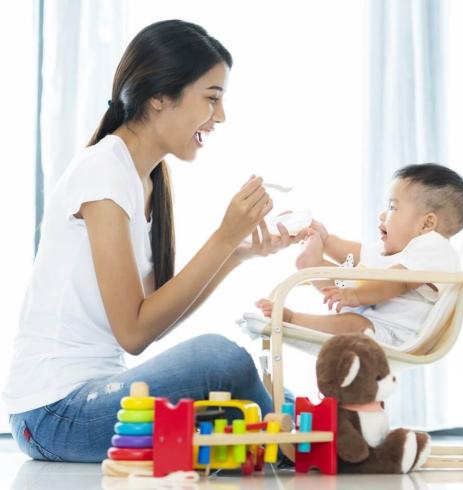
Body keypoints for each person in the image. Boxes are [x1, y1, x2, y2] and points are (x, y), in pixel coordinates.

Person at [3, 19, 304, 463]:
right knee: (224, 360)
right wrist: (224, 236)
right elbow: (135, 331)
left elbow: (154, 314)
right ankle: (297, 444)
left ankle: (296, 437)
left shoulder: (142, 179)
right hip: (53, 413)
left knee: (247, 395)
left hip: (91, 399)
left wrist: (238, 253)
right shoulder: (103, 171)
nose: (220, 116)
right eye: (211, 98)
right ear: (160, 96)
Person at [256, 163, 463, 346]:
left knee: (352, 322)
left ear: (427, 223)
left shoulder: (436, 248)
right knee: (348, 279)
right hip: (371, 312)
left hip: (394, 334)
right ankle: (313, 265)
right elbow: (360, 254)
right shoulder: (400, 249)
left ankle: (294, 318)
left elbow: (400, 282)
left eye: (393, 208)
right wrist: (326, 240)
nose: (382, 214)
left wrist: (355, 296)